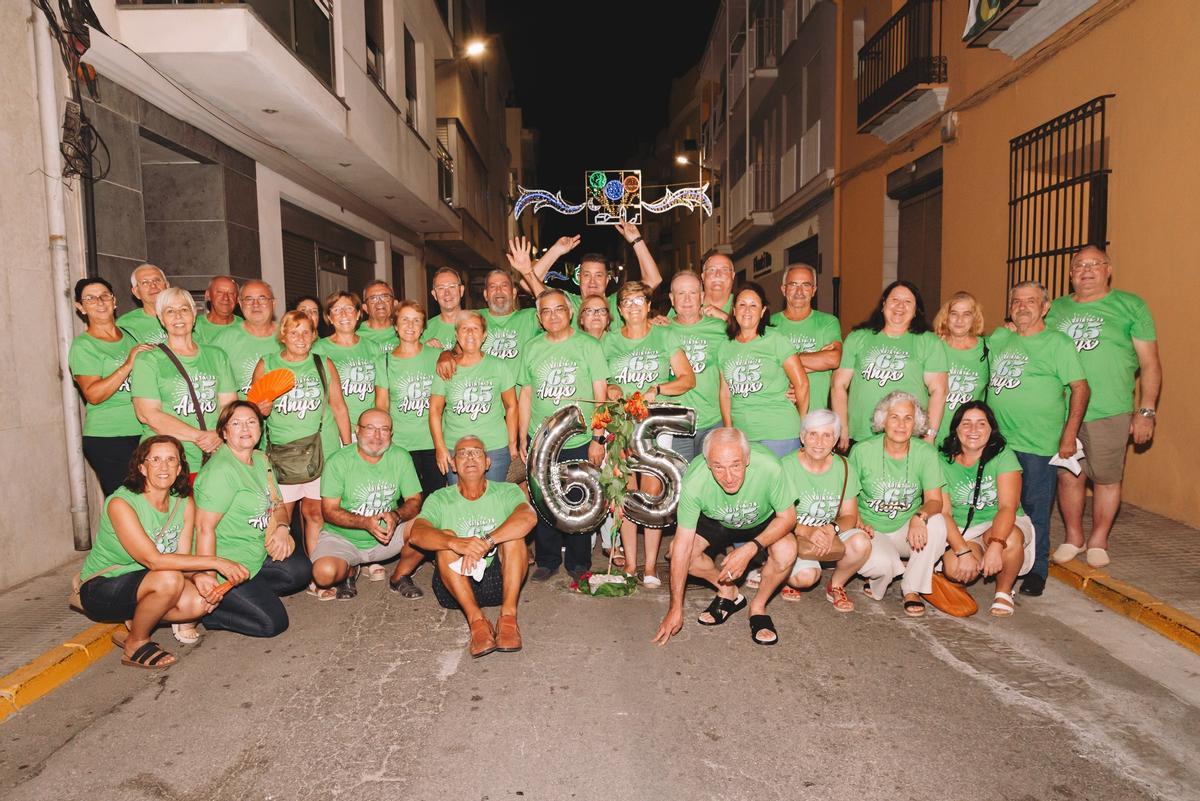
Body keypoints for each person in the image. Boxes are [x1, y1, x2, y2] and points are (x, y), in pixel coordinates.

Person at [78, 436, 249, 668]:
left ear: (179, 469)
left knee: (200, 601)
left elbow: (182, 558)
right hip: (103, 585)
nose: (164, 466)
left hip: (148, 581)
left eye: (171, 460)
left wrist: (198, 576)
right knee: (170, 579)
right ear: (142, 467)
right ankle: (136, 642)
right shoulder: (121, 503)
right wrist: (217, 562)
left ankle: (138, 618)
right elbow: (154, 560)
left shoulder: (183, 503)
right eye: (155, 459)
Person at [1046, 246, 1160, 568]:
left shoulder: (1131, 306)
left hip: (1110, 409)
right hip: (1061, 410)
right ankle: (1074, 537)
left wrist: (1146, 411)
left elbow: (1150, 364)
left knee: (1107, 479)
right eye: (1079, 265)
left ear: (1108, 270)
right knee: (1069, 476)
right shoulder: (1055, 309)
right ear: (1070, 274)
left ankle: (1098, 539)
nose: (1086, 270)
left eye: (1094, 264)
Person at [988, 281, 1089, 596]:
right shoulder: (1000, 338)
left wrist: (1069, 434)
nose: (1022, 307)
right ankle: (1002, 559)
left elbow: (1081, 388)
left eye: (1031, 301)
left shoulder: (1057, 343)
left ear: (1045, 308)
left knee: (1035, 510)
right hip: (999, 445)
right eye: (1016, 301)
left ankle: (1037, 571)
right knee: (998, 506)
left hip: (1038, 445)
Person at [652, 428, 798, 646]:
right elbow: (682, 546)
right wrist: (675, 608)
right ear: (708, 463)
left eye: (736, 465)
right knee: (678, 553)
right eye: (718, 467)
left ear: (747, 459)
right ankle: (728, 591)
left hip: (761, 519)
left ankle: (758, 607)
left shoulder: (770, 467)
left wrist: (750, 548)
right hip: (717, 520)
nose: (728, 478)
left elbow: (788, 518)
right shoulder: (695, 481)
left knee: (787, 549)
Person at [407, 436, 537, 658]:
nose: (469, 457)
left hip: (501, 583)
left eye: (476, 452)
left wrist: (486, 542)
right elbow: (416, 534)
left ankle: (508, 619)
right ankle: (477, 623)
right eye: (462, 453)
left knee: (514, 538)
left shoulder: (507, 491)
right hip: (455, 587)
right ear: (453, 465)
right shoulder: (439, 498)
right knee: (445, 539)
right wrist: (456, 543)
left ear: (487, 462)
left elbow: (528, 517)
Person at [193, 401, 311, 637]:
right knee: (273, 624)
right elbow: (204, 528)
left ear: (260, 427)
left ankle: (252, 595)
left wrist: (283, 527)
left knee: (301, 570)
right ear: (224, 432)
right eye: (236, 423)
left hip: (255, 556)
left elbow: (277, 504)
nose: (245, 428)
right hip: (227, 566)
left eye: (251, 422)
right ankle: (211, 615)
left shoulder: (260, 459)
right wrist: (208, 577)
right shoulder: (221, 471)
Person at [605, 281, 695, 587]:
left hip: (655, 425)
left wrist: (657, 389)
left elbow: (687, 379)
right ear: (620, 309)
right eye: (627, 302)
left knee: (652, 493)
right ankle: (631, 564)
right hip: (622, 424)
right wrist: (611, 387)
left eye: (639, 301)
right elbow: (600, 380)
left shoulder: (664, 335)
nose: (633, 307)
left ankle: (651, 566)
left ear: (648, 306)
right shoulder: (609, 341)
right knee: (626, 492)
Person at [517, 288, 608, 581]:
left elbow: (600, 396)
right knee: (544, 499)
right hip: (541, 439)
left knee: (578, 499)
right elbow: (526, 394)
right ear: (539, 318)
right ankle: (548, 559)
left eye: (559, 309)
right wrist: (522, 437)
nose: (553, 315)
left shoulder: (588, 346)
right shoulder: (531, 348)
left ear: (570, 312)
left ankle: (579, 562)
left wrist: (598, 438)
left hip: (579, 438)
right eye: (546, 311)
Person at [252, 311, 352, 562]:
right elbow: (251, 411)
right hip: (282, 454)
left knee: (316, 513)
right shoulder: (267, 364)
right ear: (283, 336)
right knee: (281, 516)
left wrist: (349, 448)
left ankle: (316, 572)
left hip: (323, 449)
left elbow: (339, 406)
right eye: (294, 332)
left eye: (306, 332)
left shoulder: (323, 363)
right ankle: (281, 570)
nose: (300, 338)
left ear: (314, 335)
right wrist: (260, 409)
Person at [850, 392, 949, 618]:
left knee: (936, 522)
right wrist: (858, 521)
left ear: (916, 423)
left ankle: (912, 587)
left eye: (908, 418)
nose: (901, 424)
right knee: (881, 565)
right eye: (894, 417)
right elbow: (848, 497)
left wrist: (919, 517)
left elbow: (935, 500)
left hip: (907, 531)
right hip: (871, 530)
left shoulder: (926, 453)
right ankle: (888, 572)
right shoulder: (862, 451)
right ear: (883, 420)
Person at [313, 409, 424, 599]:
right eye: (370, 428)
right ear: (357, 430)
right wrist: (364, 522)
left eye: (384, 429)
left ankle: (400, 576)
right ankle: (350, 569)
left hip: (387, 536)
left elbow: (415, 500)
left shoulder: (401, 457)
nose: (377, 436)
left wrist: (396, 516)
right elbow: (329, 511)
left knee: (429, 526)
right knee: (324, 575)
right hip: (344, 539)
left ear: (391, 433)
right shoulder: (338, 461)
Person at [939, 402, 1036, 617]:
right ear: (956, 429)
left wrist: (996, 545)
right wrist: (963, 552)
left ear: (991, 429)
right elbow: (944, 513)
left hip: (1001, 522)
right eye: (966, 423)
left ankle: (1003, 592)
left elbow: (1008, 507)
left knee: (1010, 540)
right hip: (965, 528)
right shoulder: (942, 461)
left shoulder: (1003, 455)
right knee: (954, 569)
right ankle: (962, 571)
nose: (973, 430)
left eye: (981, 424)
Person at [832, 281, 948, 451]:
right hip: (862, 435)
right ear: (883, 304)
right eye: (894, 300)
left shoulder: (929, 342)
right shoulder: (858, 337)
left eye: (908, 302)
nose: (900, 306)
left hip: (909, 437)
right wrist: (842, 428)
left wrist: (930, 435)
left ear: (916, 310)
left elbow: (939, 391)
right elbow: (838, 386)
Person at [131, 288, 237, 474]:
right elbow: (147, 414)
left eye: (184, 309)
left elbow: (230, 407)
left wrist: (218, 434)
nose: (178, 316)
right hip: (168, 461)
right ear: (161, 319)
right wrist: (201, 438)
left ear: (194, 314)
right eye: (170, 311)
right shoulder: (148, 360)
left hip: (216, 456)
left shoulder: (217, 355)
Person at [779, 411, 872, 612]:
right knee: (806, 577)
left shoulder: (844, 467)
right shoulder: (786, 466)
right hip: (795, 533)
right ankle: (783, 575)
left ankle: (836, 585)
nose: (819, 442)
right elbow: (777, 517)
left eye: (827, 435)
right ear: (802, 437)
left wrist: (831, 529)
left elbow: (850, 515)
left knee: (862, 542)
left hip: (828, 532)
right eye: (813, 434)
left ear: (836, 440)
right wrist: (808, 531)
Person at [70, 277, 155, 496]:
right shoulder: (84, 345)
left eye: (104, 296)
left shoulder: (131, 336)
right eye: (90, 298)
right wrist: (128, 365)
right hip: (109, 437)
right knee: (126, 502)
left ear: (114, 301)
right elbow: (93, 394)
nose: (99, 302)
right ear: (81, 307)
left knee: (151, 500)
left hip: (144, 431)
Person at [718, 282, 809, 457]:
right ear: (734, 310)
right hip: (743, 435)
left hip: (779, 433)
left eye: (753, 305)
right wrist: (729, 430)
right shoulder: (725, 347)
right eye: (742, 304)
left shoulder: (776, 340)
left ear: (762, 312)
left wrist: (802, 423)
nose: (747, 310)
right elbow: (725, 394)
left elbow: (802, 384)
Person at [430, 311, 519, 483]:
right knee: (459, 497)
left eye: (475, 328)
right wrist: (440, 448)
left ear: (484, 335)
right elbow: (435, 410)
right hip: (455, 448)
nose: (470, 333)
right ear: (457, 335)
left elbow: (511, 406)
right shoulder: (445, 368)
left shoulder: (499, 366)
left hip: (494, 447)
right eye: (464, 329)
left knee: (494, 495)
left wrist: (512, 443)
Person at [515, 222, 663, 318]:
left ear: (607, 279)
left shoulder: (618, 303)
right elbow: (527, 284)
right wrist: (556, 251)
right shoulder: (566, 303)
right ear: (578, 278)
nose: (592, 282)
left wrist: (637, 240)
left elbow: (653, 279)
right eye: (587, 275)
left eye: (598, 275)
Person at [376, 300, 443, 496]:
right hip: (400, 444)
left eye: (416, 320)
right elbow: (382, 406)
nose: (410, 326)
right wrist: (383, 443)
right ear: (395, 326)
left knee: (434, 500)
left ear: (423, 328)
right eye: (405, 320)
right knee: (406, 502)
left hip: (433, 442)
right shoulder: (384, 361)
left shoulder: (438, 356)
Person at [667, 270, 727, 460]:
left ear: (702, 297)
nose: (687, 299)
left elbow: (750, 343)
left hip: (713, 420)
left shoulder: (719, 328)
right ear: (672, 299)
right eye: (680, 293)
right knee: (679, 475)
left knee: (710, 474)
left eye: (692, 293)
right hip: (675, 422)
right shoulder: (660, 330)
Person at [770, 264, 843, 411]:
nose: (799, 291)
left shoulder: (828, 322)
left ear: (814, 290)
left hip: (816, 417)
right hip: (778, 413)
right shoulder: (769, 324)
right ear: (784, 289)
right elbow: (766, 365)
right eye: (793, 285)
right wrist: (816, 360)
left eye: (806, 285)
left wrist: (784, 361)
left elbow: (833, 359)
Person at [313, 290, 379, 436]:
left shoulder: (372, 347)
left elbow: (381, 391)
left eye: (349, 308)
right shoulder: (318, 349)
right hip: (336, 430)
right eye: (336, 310)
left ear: (358, 314)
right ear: (329, 317)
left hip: (370, 428)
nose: (343, 314)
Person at [932, 291, 988, 446]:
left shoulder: (988, 347)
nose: (959, 320)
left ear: (975, 318)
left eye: (966, 314)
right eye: (954, 313)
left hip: (971, 438)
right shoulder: (933, 345)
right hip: (934, 435)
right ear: (946, 317)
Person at [211, 280, 280, 397]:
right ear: (240, 304)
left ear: (273, 303)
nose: (255, 304)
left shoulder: (290, 335)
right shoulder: (224, 339)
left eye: (262, 298)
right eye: (248, 299)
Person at [479, 260, 542, 363]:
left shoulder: (530, 318)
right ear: (486, 295)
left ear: (514, 293)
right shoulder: (474, 317)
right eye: (492, 286)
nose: (498, 290)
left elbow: (551, 305)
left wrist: (528, 272)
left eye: (504, 285)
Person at [667, 253, 736, 321]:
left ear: (733, 275)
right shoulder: (686, 305)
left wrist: (726, 318)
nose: (718, 274)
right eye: (712, 270)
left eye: (725, 270)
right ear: (703, 276)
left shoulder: (739, 303)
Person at [116, 264, 169, 344]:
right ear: (136, 292)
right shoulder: (125, 324)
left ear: (167, 286)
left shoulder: (186, 315)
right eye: (145, 283)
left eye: (157, 280)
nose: (153, 285)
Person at [423, 267, 467, 351]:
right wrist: (425, 352)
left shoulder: (478, 322)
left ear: (461, 290)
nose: (447, 293)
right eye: (441, 288)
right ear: (434, 294)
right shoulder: (425, 330)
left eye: (452, 286)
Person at [358, 280, 401, 355]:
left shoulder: (406, 330)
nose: (380, 302)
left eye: (385, 297)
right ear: (365, 307)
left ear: (395, 304)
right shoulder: (355, 335)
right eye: (373, 298)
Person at [192, 275, 239, 344]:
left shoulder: (245, 326)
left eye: (231, 293)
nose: (226, 298)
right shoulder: (193, 326)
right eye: (219, 292)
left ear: (237, 299)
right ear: (208, 295)